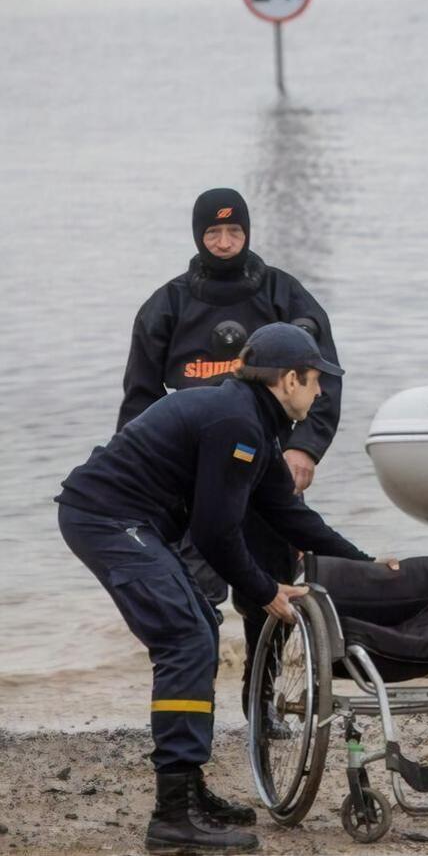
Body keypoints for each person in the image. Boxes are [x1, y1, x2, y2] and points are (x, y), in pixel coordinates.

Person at [56, 323, 378, 855]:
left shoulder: (252, 418)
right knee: (185, 637)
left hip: (127, 520)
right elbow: (214, 531)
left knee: (200, 627)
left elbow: (285, 511)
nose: (320, 393)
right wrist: (265, 589)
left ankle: (189, 791)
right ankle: (173, 816)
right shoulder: (239, 423)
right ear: (288, 379)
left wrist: (365, 566)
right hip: (105, 517)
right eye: (316, 380)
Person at [118, 187, 342, 715]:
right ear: (198, 235)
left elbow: (321, 382)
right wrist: (152, 484)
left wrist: (305, 450)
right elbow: (139, 403)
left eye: (234, 232)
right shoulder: (166, 305)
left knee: (270, 592)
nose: (224, 242)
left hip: (267, 471)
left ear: (248, 232)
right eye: (213, 232)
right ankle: (192, 706)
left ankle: (260, 708)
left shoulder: (285, 296)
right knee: (193, 599)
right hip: (189, 481)